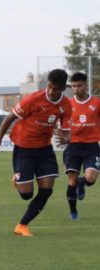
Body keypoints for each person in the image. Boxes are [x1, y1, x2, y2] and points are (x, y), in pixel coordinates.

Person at [0, 69, 72, 237]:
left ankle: (22, 225)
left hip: (45, 150)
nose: (50, 90)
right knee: (27, 195)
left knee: (47, 190)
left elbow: (67, 132)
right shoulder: (33, 99)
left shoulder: (65, 105)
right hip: (24, 148)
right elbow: (10, 117)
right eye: (49, 86)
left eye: (55, 88)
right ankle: (18, 179)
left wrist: (66, 138)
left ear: (62, 88)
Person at [63, 72, 100, 220]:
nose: (76, 89)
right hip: (73, 147)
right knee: (71, 181)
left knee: (90, 179)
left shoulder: (97, 103)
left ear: (86, 85)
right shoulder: (67, 104)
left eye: (79, 86)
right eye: (73, 86)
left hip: (92, 146)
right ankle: (73, 211)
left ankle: (82, 183)